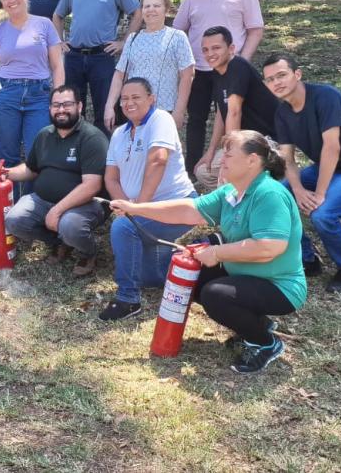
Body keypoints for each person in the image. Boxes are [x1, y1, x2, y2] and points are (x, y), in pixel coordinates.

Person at [111, 130, 306, 374]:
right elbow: (188, 210)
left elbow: (270, 247)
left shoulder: (269, 194)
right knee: (193, 277)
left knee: (216, 295)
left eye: (229, 155)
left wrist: (217, 253)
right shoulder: (231, 192)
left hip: (280, 286)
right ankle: (258, 325)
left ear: (252, 160)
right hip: (248, 275)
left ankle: (265, 344)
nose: (221, 161)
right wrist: (136, 209)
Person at [263, 53, 341, 293]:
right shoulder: (282, 113)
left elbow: (332, 146)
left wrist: (319, 193)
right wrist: (297, 190)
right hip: (330, 166)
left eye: (281, 75)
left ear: (297, 74)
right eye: (270, 80)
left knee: (323, 214)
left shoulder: (324, 96)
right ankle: (307, 259)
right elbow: (287, 158)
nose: (276, 83)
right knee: (276, 194)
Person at [99, 78, 198, 321]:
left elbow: (158, 160)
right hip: (146, 210)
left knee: (123, 227)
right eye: (124, 99)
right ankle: (190, 269)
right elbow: (111, 178)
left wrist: (136, 209)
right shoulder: (119, 134)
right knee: (151, 278)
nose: (129, 102)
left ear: (151, 99)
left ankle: (128, 299)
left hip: (178, 205)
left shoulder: (160, 119)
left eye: (136, 97)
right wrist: (125, 206)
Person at [173, 0, 264, 173]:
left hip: (232, 68)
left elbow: (255, 29)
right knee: (196, 119)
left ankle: (232, 167)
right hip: (200, 70)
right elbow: (178, 30)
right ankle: (194, 168)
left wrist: (242, 60)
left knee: (232, 116)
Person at [2, 85, 108, 277]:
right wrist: (6, 173)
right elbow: (31, 169)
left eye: (67, 104)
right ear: (49, 108)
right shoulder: (45, 134)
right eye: (56, 105)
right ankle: (59, 243)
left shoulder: (92, 137)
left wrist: (57, 210)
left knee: (69, 225)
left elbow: (92, 185)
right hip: (43, 199)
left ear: (79, 106)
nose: (61, 110)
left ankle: (88, 252)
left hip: (85, 204)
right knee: (14, 221)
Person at [0, 0, 64, 197]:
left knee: (37, 154)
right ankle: (11, 206)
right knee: (8, 155)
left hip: (39, 95)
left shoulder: (44, 24)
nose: (11, 0)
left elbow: (57, 66)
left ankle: (31, 207)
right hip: (5, 95)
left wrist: (58, 100)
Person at [53, 0, 142, 137]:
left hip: (102, 56)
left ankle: (104, 160)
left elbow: (137, 12)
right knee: (72, 109)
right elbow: (57, 15)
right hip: (74, 57)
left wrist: (124, 42)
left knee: (105, 111)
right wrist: (60, 41)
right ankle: (73, 154)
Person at [194, 26, 279, 191]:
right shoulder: (217, 73)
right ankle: (240, 195)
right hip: (244, 142)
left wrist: (229, 156)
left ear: (231, 48)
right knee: (203, 172)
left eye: (216, 48)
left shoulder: (238, 67)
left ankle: (245, 198)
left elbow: (234, 111)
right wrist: (211, 150)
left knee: (228, 175)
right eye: (205, 50)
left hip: (268, 141)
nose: (210, 54)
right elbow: (221, 112)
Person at [103, 0, 194, 132]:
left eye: (156, 5)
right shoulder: (133, 38)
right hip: (133, 110)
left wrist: (180, 110)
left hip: (164, 111)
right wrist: (109, 106)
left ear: (166, 9)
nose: (151, 10)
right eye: (147, 6)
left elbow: (187, 76)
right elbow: (119, 75)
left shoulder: (177, 37)